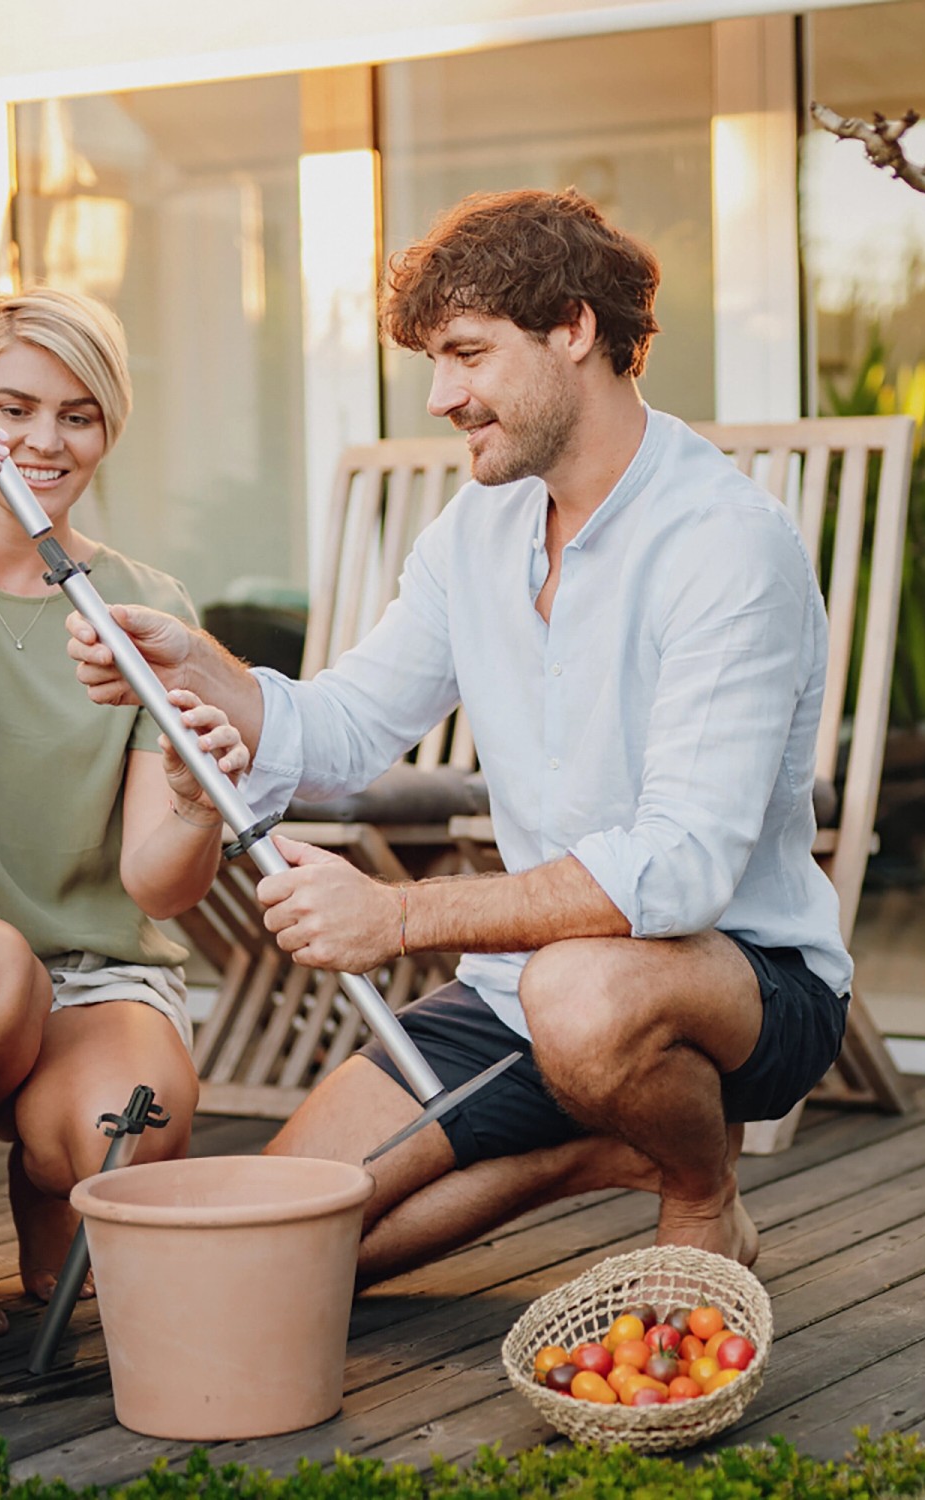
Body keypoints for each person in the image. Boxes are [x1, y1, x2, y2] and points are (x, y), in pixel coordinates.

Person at [67, 188, 852, 1279]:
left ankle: (698, 1190)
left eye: (468, 355)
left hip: (737, 986)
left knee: (580, 992)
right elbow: (345, 727)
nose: (442, 397)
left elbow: (680, 869)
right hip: (519, 990)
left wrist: (397, 916)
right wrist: (198, 665)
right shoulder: (478, 527)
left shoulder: (724, 543)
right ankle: (600, 1150)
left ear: (573, 329)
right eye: (435, 363)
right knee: (257, 1258)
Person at [0, 288, 247, 1340]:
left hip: (86, 976)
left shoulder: (142, 607)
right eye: (14, 407)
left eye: (78, 415)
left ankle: (48, 1183)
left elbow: (155, 886)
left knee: (131, 1131)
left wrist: (194, 807)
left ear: (108, 429)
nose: (44, 440)